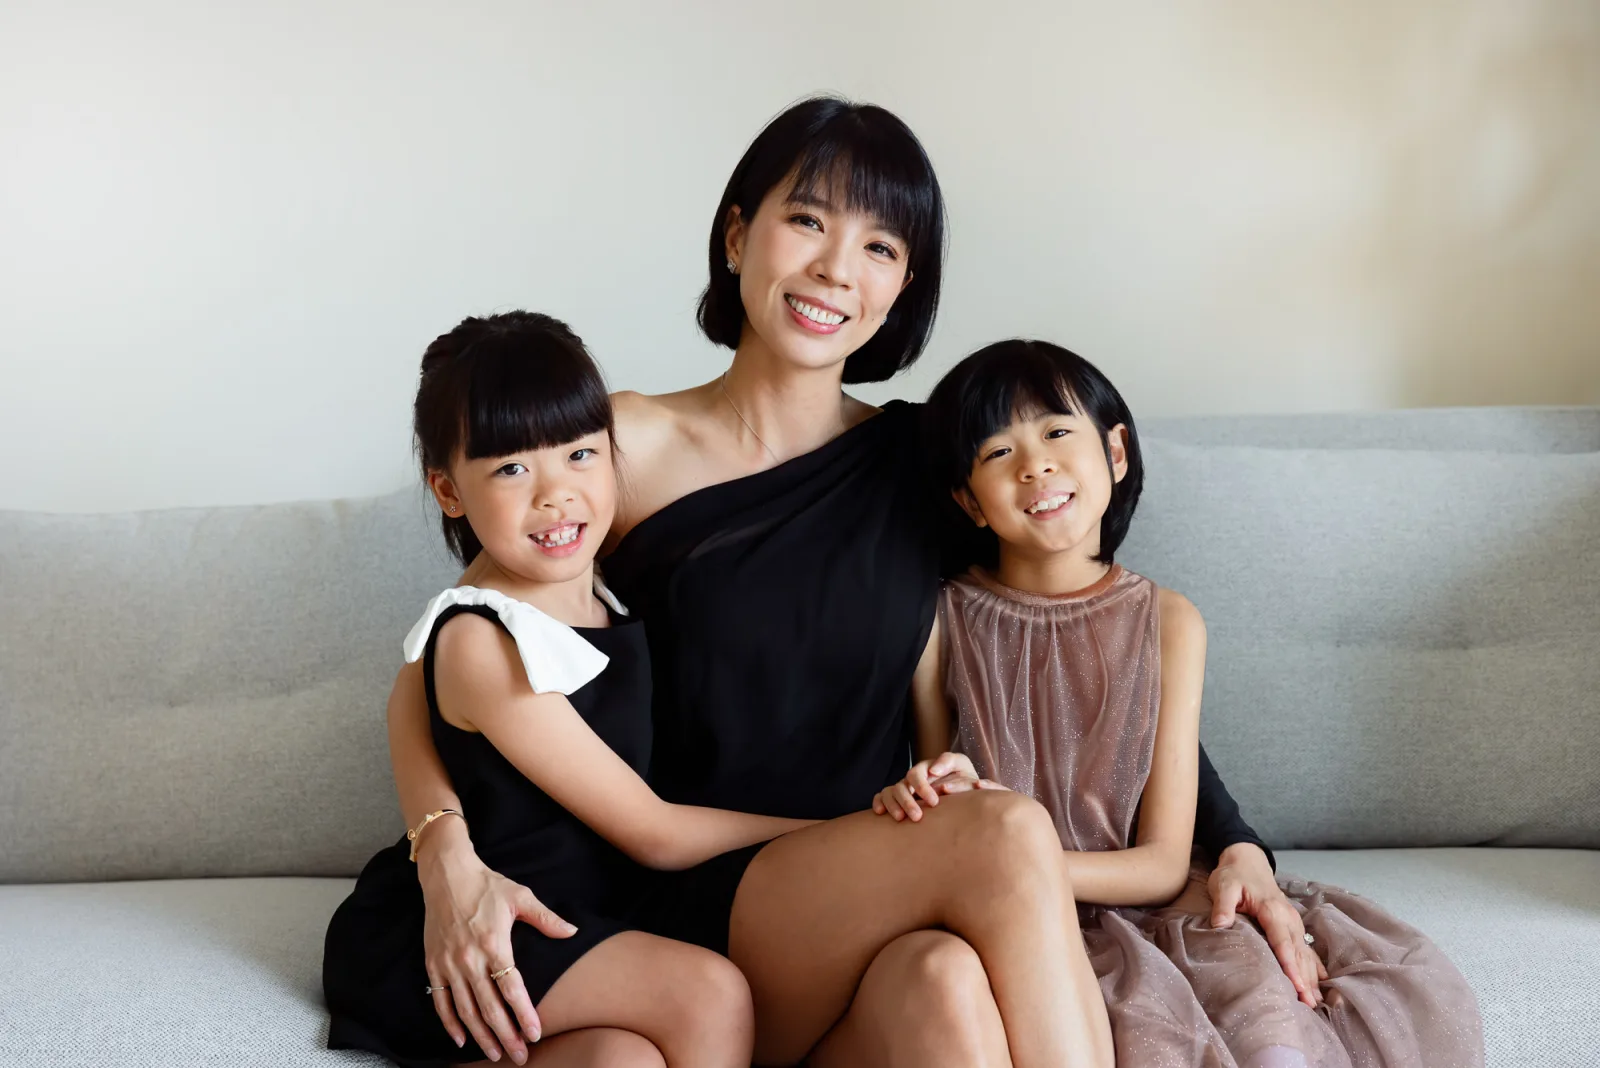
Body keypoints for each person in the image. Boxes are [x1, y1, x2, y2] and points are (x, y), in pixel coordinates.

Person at [387, 96, 1300, 1068]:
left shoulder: (920, 461)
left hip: (870, 884)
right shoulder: (623, 445)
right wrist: (439, 843)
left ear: (903, 286)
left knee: (946, 987)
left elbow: (1079, 628)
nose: (835, 268)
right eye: (808, 220)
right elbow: (451, 644)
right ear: (739, 234)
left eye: (880, 246)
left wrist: (1235, 836)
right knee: (994, 834)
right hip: (683, 900)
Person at [878, 338, 1486, 1067]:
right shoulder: (939, 623)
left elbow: (1165, 863)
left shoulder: (1169, 622)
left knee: (1266, 1028)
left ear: (1117, 453)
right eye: (997, 452)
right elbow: (939, 783)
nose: (1034, 463)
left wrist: (1008, 870)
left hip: (1153, 901)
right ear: (968, 500)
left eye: (1056, 431)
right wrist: (931, 801)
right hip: (1012, 920)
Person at [323, 312, 819, 1067]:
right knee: (706, 992)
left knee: (622, 1059)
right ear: (449, 491)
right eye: (512, 470)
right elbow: (654, 833)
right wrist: (834, 824)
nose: (557, 494)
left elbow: (410, 683)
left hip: (576, 911)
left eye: (581, 453)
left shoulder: (594, 584)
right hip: (487, 918)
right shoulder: (484, 637)